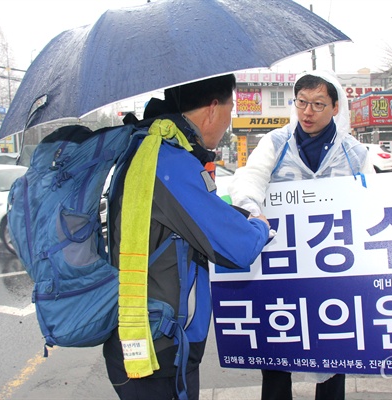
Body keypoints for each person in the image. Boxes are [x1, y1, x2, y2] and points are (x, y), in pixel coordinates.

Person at [227, 70, 392, 400]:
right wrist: (253, 209)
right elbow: (248, 179)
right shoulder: (276, 143)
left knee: (335, 349)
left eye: (318, 104)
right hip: (283, 267)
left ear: (335, 107)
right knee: (278, 353)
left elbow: (378, 206)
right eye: (302, 103)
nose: (307, 112)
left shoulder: (355, 154)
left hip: (333, 268)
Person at [103, 74, 271, 400]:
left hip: (137, 336)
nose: (229, 120)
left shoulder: (143, 148)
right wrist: (260, 225)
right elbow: (239, 247)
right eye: (230, 108)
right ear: (212, 109)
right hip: (160, 350)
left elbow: (185, 220)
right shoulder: (169, 161)